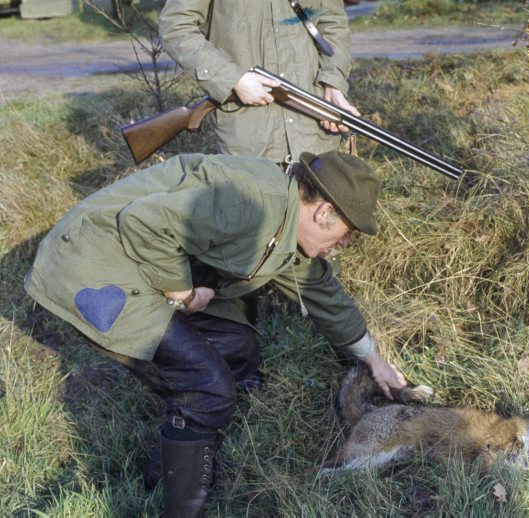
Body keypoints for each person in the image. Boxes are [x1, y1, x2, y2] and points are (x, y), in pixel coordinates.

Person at [24, 151, 407, 517]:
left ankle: (164, 476)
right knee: (208, 385)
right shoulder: (250, 199)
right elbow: (144, 221)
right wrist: (182, 291)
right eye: (347, 232)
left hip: (135, 266)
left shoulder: (290, 227)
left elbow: (326, 297)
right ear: (324, 211)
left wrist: (374, 360)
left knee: (237, 347)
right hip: (91, 266)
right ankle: (182, 507)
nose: (344, 245)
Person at [159, 0, 360, 163]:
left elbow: (332, 22)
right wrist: (234, 79)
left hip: (313, 128)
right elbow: (176, 27)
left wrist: (333, 83)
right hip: (249, 138)